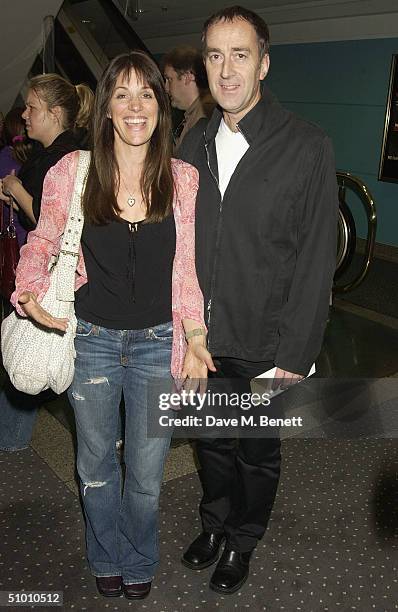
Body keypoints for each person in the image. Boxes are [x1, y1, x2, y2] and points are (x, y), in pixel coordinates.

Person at [11, 51, 214, 600]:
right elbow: (44, 241)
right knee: (96, 466)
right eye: (121, 94)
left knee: (146, 477)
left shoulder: (184, 180)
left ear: (160, 105)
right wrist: (27, 289)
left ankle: (138, 557)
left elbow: (187, 270)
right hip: (93, 343)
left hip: (157, 345)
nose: (135, 106)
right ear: (104, 108)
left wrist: (195, 336)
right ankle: (105, 553)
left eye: (146, 93)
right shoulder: (72, 172)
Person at [178, 6, 338, 594]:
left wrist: (295, 352)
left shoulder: (307, 146)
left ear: (264, 64)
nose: (226, 70)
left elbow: (318, 257)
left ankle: (243, 541)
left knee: (255, 452)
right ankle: (215, 523)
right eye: (215, 56)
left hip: (268, 340)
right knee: (211, 443)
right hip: (203, 339)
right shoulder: (191, 144)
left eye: (240, 54)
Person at [0, 75, 93, 452]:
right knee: (49, 352)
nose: (24, 114)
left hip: (54, 274)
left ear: (55, 114)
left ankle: (11, 437)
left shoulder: (64, 158)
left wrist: (17, 190)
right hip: (45, 270)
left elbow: (49, 221)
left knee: (47, 349)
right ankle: (12, 436)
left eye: (32, 107)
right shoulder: (49, 153)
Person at [163, 46, 215, 151]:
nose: (166, 88)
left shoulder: (207, 115)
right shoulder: (194, 114)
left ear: (188, 77)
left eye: (169, 79)